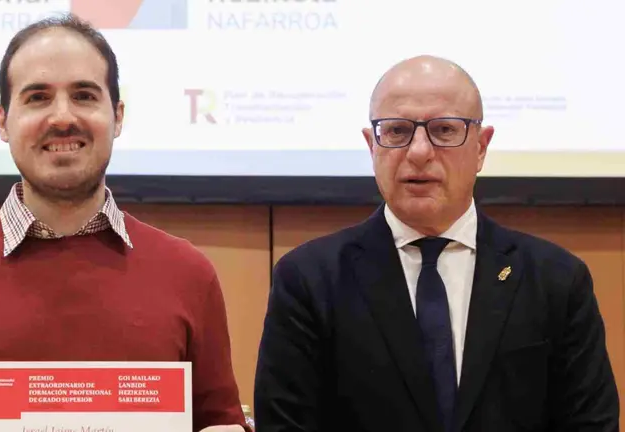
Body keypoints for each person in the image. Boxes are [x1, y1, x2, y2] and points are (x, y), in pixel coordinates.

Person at [0, 14, 247, 432]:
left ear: (118, 116)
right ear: (2, 120)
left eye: (85, 95)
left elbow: (220, 421)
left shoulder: (188, 274)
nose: (62, 117)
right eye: (37, 97)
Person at [253, 55, 619, 432]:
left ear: (481, 146)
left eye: (444, 130)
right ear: (371, 145)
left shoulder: (556, 280)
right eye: (397, 131)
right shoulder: (309, 280)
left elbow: (591, 424)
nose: (419, 152)